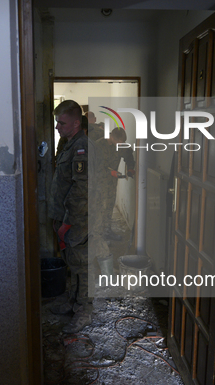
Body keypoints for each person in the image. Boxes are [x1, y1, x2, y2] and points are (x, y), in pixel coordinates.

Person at [48, 100, 95, 333]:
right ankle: (74, 301)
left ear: (76, 123)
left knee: (82, 264)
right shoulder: (67, 144)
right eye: (57, 122)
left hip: (75, 219)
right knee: (72, 262)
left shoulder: (81, 148)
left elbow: (80, 190)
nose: (57, 126)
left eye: (61, 122)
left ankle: (84, 310)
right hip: (64, 216)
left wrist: (67, 222)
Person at [95, 127, 135, 241]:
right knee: (100, 207)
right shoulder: (99, 145)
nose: (122, 145)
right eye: (120, 142)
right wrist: (110, 172)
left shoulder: (121, 145)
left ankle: (107, 231)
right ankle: (99, 235)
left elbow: (128, 155)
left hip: (112, 182)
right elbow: (96, 166)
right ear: (112, 137)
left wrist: (131, 168)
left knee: (109, 205)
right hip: (99, 182)